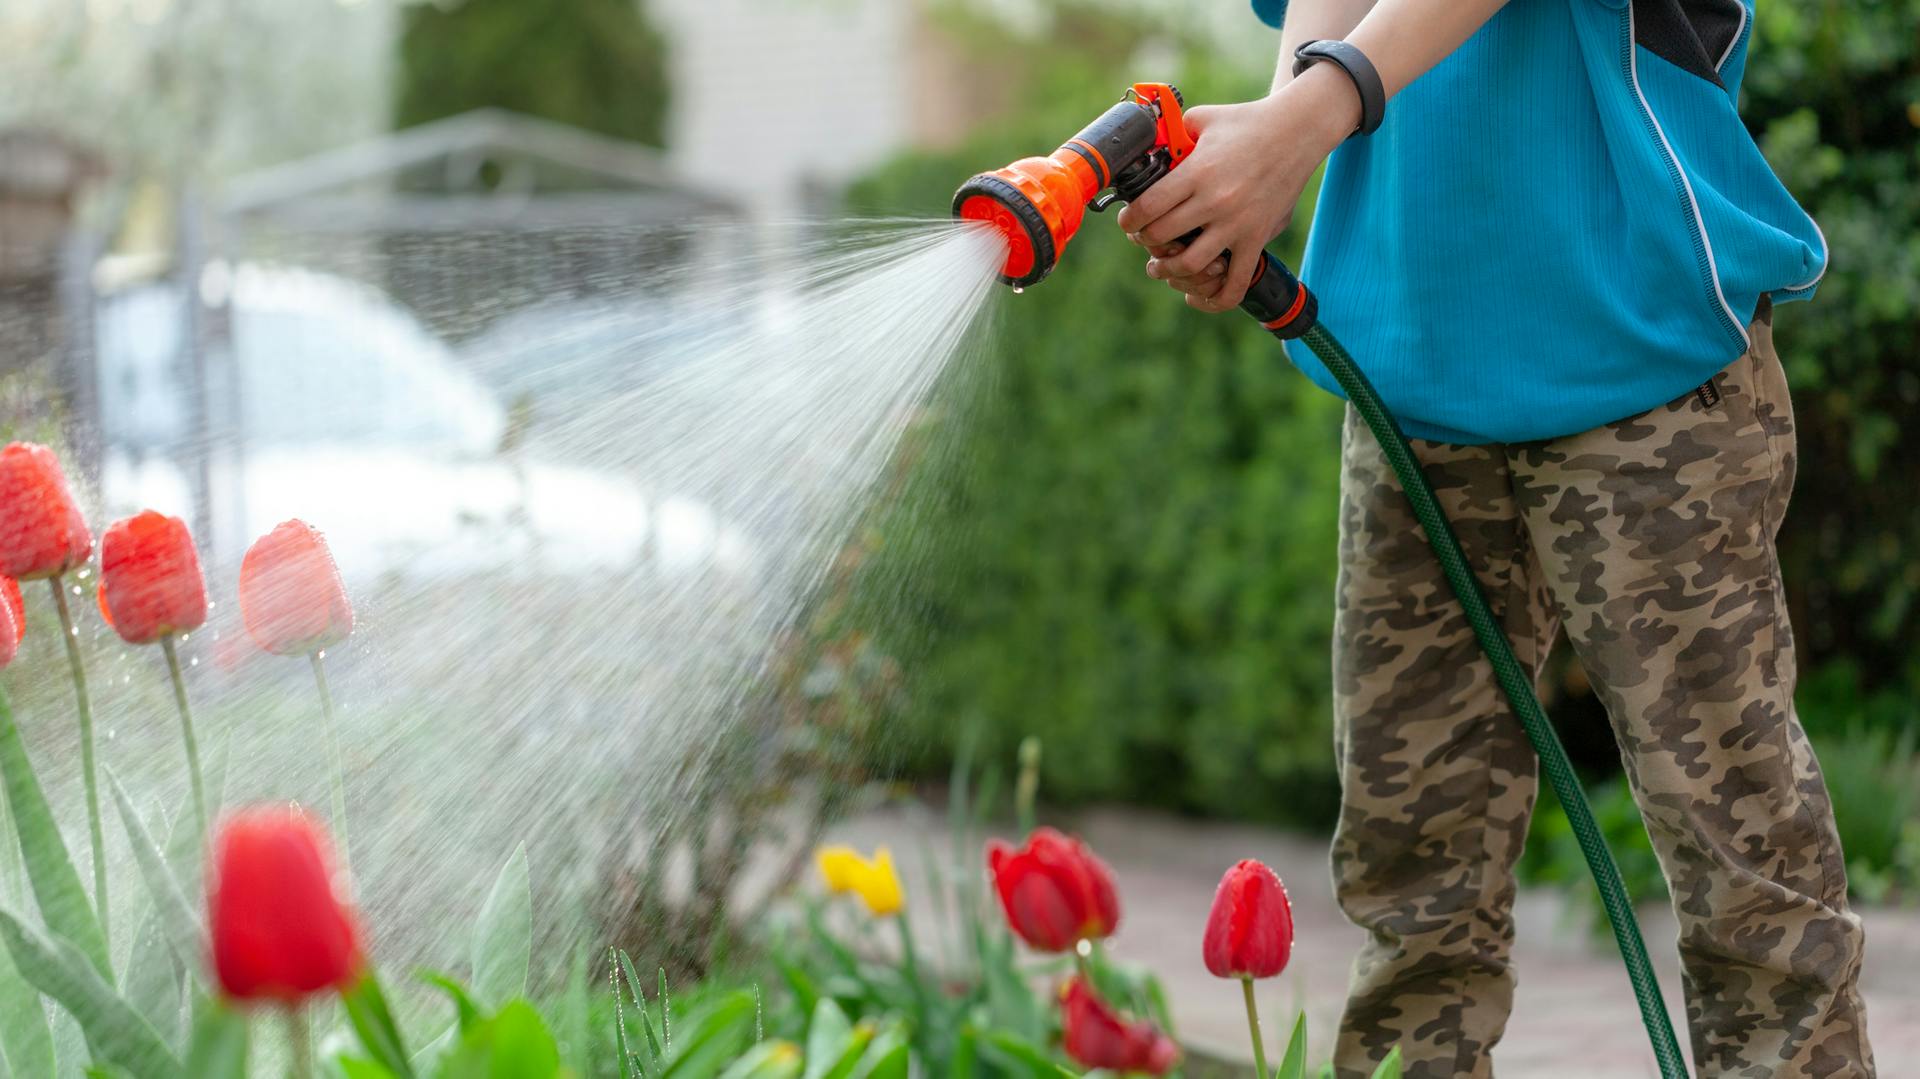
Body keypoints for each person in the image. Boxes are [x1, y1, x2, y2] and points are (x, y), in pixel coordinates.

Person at [1113, 0, 1874, 1076]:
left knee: (1743, 866)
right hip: (1413, 371)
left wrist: (1305, 120)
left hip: (1642, 354)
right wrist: (1264, 152)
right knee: (1410, 873)